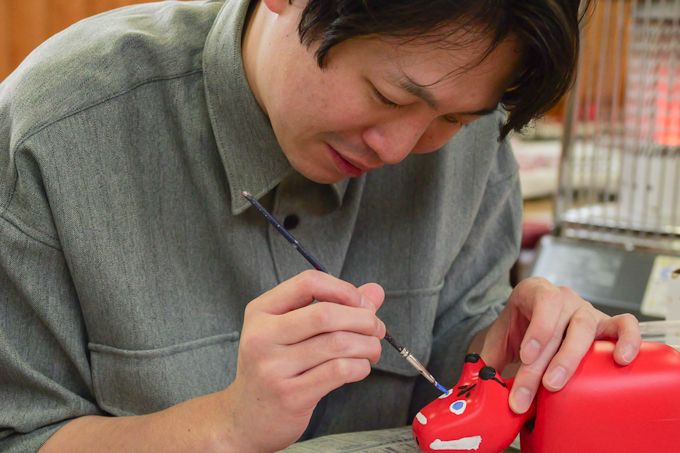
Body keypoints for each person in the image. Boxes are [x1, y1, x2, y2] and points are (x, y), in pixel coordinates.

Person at [0, 0, 641, 451]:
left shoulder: (472, 142)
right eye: (390, 96)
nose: (399, 149)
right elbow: (23, 436)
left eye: (452, 120)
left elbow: (457, 354)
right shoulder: (55, 136)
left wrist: (508, 360)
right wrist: (226, 427)